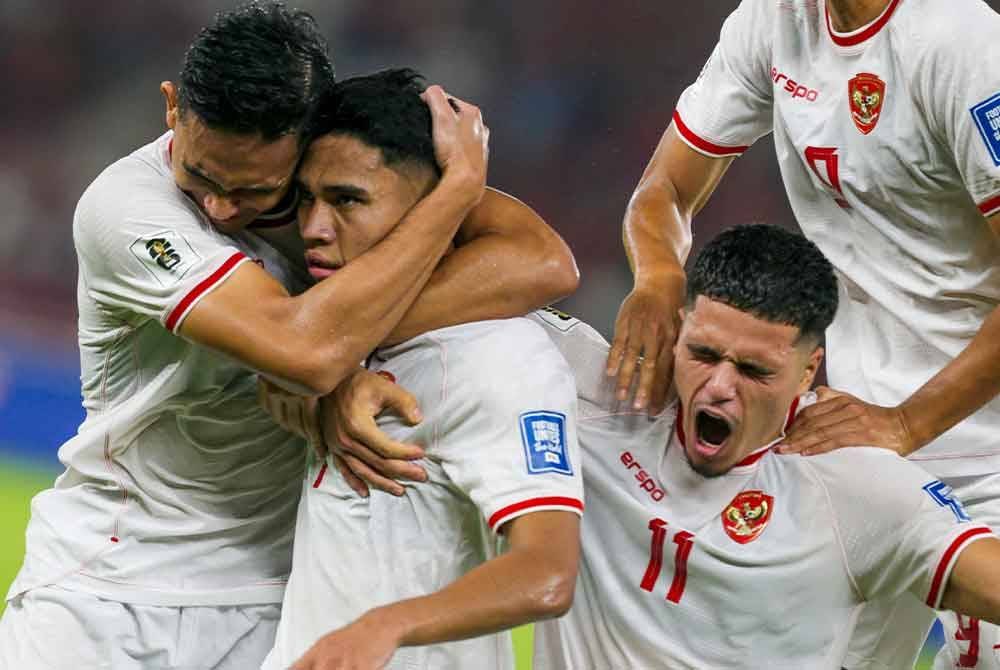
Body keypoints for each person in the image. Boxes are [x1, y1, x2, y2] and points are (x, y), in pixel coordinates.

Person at [0, 3, 579, 668]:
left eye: (251, 188)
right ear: (171, 108)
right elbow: (305, 349)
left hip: (272, 601)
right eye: (201, 176)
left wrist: (350, 351)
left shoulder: (341, 187)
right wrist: (456, 193)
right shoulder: (127, 207)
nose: (219, 209)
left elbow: (544, 260)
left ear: (306, 140)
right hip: (110, 584)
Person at [608, 1, 1000, 667]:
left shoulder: (962, 46)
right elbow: (666, 186)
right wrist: (655, 280)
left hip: (983, 456)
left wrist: (906, 422)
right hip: (853, 450)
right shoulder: (773, 19)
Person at [530, 223, 1000, 670]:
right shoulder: (591, 394)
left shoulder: (855, 485)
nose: (719, 386)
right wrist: (656, 275)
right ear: (680, 327)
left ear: (807, 371)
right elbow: (489, 246)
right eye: (703, 353)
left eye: (754, 371)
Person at [257, 68, 583, 670]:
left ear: (438, 207)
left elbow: (546, 572)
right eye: (307, 199)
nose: (314, 228)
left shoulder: (501, 358)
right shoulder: (346, 330)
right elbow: (285, 375)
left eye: (348, 200)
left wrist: (383, 629)